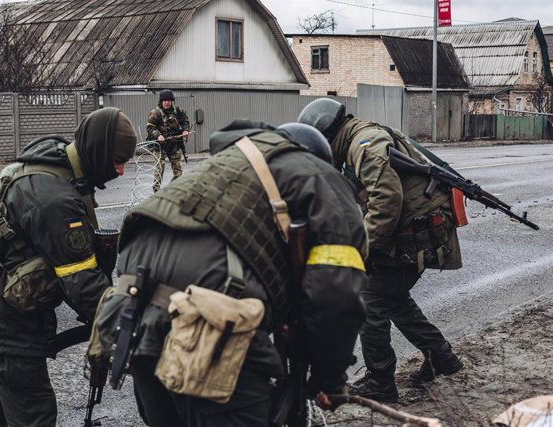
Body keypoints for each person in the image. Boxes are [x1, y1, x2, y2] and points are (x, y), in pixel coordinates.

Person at [105, 120, 368, 426]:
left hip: (133, 307)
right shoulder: (320, 175)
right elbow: (335, 295)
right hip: (207, 311)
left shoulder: (225, 166)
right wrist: (328, 378)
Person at [0, 107, 137, 426]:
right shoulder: (56, 199)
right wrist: (126, 322)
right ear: (97, 151)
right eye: (117, 161)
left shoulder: (53, 162)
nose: (121, 171)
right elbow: (81, 281)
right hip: (8, 324)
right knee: (34, 414)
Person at [298, 98, 464, 403]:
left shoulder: (364, 144)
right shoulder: (357, 140)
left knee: (369, 300)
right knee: (394, 298)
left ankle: (380, 381)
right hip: (416, 226)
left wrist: (361, 250)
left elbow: (386, 201)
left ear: (327, 136)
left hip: (418, 231)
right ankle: (441, 356)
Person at [146, 89, 191, 192]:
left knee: (177, 168)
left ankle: (178, 191)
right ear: (161, 101)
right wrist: (158, 135)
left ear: (172, 101)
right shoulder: (155, 113)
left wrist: (185, 130)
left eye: (169, 100)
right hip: (160, 145)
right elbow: (150, 127)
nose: (167, 102)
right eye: (165, 100)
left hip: (174, 144)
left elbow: (185, 120)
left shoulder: (178, 111)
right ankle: (156, 191)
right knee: (159, 168)